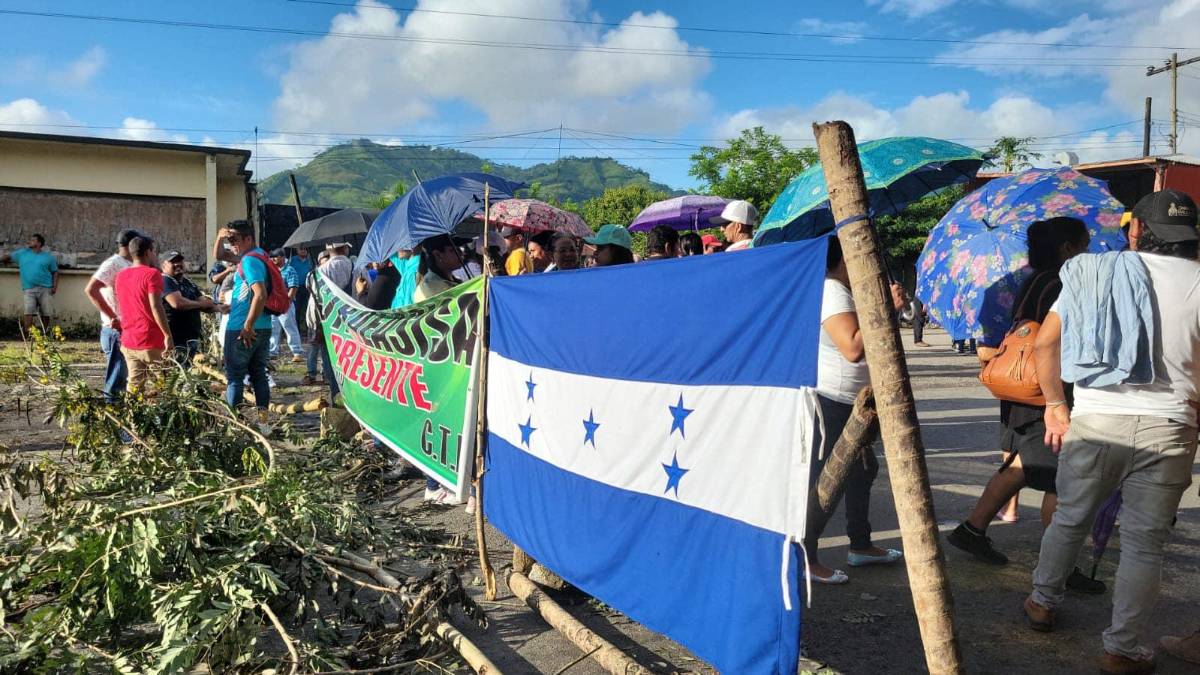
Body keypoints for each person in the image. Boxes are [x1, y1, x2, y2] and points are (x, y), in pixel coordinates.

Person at [1025, 190, 1200, 674]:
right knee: (1145, 543)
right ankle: (1121, 649)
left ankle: (1042, 602)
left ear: (1136, 230)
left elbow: (1045, 343)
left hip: (1098, 416)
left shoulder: (1092, 273)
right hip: (1172, 425)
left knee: (1071, 518)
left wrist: (1056, 407)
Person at [947, 219, 1104, 595]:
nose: (1087, 253)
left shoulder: (1031, 279)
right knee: (1059, 482)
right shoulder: (1061, 285)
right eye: (1084, 246)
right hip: (1046, 394)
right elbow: (1053, 342)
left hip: (1022, 391)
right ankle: (1060, 567)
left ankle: (973, 529)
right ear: (1067, 249)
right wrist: (1058, 400)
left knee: (1021, 464)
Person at [804, 236, 907, 584]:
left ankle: (860, 545)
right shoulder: (832, 290)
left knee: (861, 471)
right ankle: (806, 556)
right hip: (832, 400)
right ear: (843, 260)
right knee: (822, 481)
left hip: (853, 402)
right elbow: (852, 347)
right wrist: (886, 310)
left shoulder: (842, 291)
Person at [414, 234, 466, 506]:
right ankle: (433, 485)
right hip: (439, 363)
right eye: (454, 249)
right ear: (437, 255)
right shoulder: (429, 287)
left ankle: (447, 479)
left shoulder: (448, 282)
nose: (461, 253)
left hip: (454, 361)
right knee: (440, 420)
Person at [211, 220, 273, 418]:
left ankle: (235, 425)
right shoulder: (260, 256)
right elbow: (220, 255)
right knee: (258, 376)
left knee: (235, 378)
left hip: (242, 327)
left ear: (248, 238)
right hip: (263, 326)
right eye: (229, 240)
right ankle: (263, 422)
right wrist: (220, 238)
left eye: (234, 239)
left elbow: (260, 294)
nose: (232, 244)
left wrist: (247, 325)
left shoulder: (249, 261)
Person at [86, 228, 147, 403]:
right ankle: (114, 420)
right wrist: (113, 317)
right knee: (117, 378)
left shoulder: (130, 264)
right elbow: (91, 289)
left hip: (129, 328)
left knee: (127, 376)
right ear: (131, 244)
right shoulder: (114, 263)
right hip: (115, 330)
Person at [113, 235, 171, 394]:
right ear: (148, 252)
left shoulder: (121, 276)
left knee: (134, 388)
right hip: (151, 340)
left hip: (129, 340)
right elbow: (155, 305)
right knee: (165, 387)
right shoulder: (152, 274)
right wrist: (167, 335)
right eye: (154, 252)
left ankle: (131, 417)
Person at [161, 250, 223, 366]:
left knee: (189, 374)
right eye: (173, 262)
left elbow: (204, 303)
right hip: (176, 339)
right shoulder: (165, 280)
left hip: (191, 338)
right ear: (163, 265)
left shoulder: (187, 282)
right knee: (176, 375)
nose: (178, 264)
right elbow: (178, 303)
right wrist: (202, 304)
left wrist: (220, 307)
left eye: (180, 261)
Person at [3, 234, 58, 335]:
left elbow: (55, 272)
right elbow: (6, 257)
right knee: (28, 312)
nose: (29, 242)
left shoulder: (48, 257)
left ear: (39, 243)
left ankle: (44, 334)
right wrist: (5, 261)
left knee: (45, 312)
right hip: (28, 289)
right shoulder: (22, 253)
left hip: (45, 288)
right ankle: (27, 334)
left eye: (33, 240)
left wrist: (54, 287)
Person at [268, 249, 305, 363]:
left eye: (276, 256)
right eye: (272, 257)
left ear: (283, 257)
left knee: (289, 327)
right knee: (273, 328)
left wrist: (287, 301)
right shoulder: (271, 270)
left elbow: (293, 287)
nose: (273, 259)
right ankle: (273, 351)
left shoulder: (290, 270)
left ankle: (297, 352)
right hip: (273, 303)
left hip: (285, 304)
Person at [303, 250, 332, 387]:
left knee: (326, 349)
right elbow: (308, 287)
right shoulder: (313, 274)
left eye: (328, 258)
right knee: (314, 347)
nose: (326, 261)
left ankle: (326, 374)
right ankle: (311, 373)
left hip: (327, 315)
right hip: (315, 316)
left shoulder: (330, 273)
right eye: (323, 259)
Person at [288, 247, 313, 338]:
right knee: (296, 310)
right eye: (301, 249)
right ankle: (296, 331)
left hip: (308, 288)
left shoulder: (311, 260)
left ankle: (308, 331)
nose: (303, 250)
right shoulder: (292, 260)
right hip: (295, 288)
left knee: (307, 309)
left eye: (305, 249)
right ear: (297, 250)